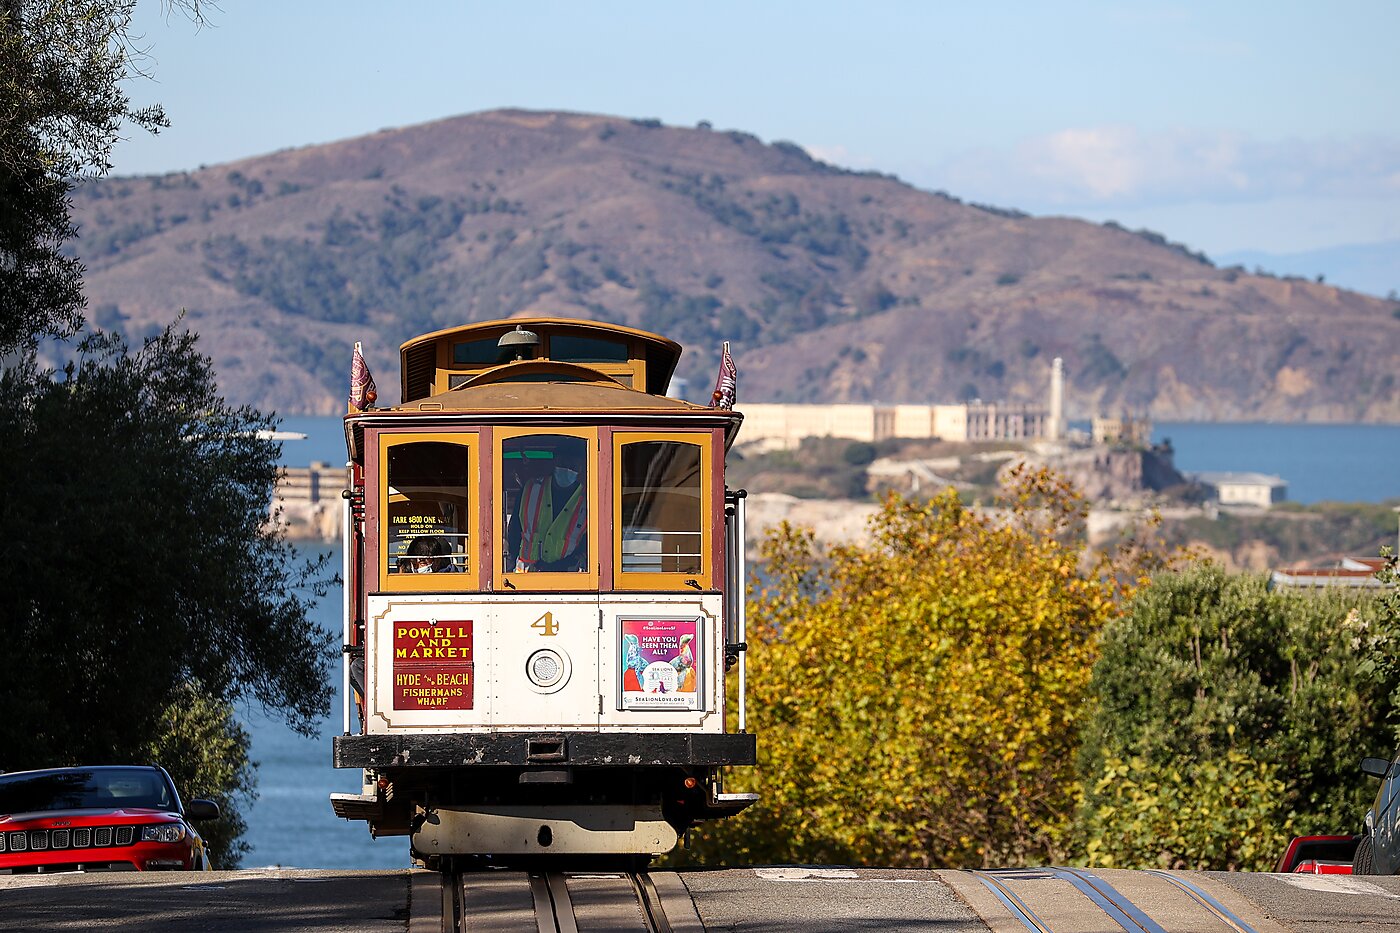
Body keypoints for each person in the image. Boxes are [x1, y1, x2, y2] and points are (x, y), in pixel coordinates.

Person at [507, 448, 587, 572]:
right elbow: (514, 531)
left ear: (581, 468)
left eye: (573, 465)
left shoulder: (587, 500)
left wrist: (566, 564)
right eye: (563, 462)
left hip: (568, 579)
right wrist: (510, 566)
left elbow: (588, 543)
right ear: (554, 462)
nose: (567, 467)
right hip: (526, 577)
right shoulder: (531, 489)